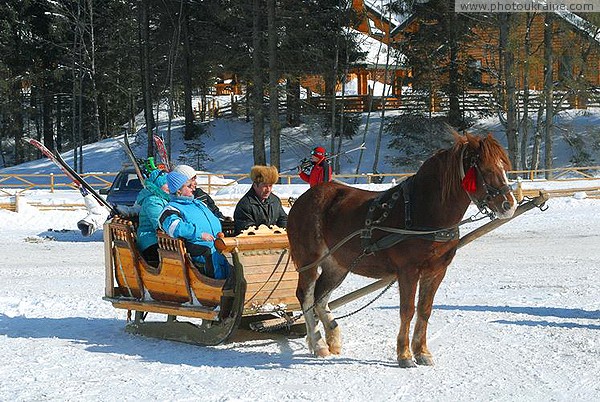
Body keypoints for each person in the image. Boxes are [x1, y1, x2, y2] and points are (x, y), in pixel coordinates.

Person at [159, 171, 230, 279]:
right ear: (178, 190)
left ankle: (232, 282)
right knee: (211, 253)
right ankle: (216, 285)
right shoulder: (172, 208)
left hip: (217, 242)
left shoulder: (198, 203)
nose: (193, 188)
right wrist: (199, 234)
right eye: (189, 186)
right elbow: (174, 227)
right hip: (199, 249)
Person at [233, 165, 287, 235]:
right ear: (255, 185)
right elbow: (248, 231)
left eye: (270, 185)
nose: (268, 190)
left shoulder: (275, 201)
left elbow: (283, 219)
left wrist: (281, 231)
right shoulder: (245, 205)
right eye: (264, 185)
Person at [135, 169, 170, 265]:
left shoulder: (164, 198)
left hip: (161, 240)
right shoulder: (152, 201)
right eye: (167, 184)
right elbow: (159, 222)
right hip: (150, 241)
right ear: (158, 184)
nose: (170, 187)